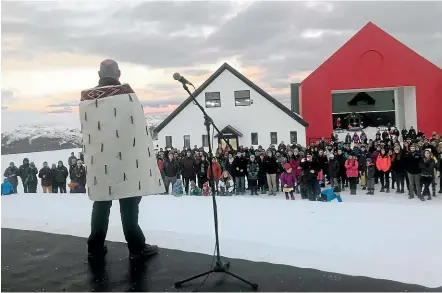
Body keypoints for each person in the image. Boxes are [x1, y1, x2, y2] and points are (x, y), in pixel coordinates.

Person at [85, 59, 159, 260]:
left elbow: (89, 130)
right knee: (129, 202)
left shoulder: (88, 98)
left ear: (99, 74)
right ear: (119, 73)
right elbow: (138, 129)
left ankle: (95, 247)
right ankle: (136, 248)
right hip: (126, 159)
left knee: (101, 202)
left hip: (100, 160)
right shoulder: (127, 94)